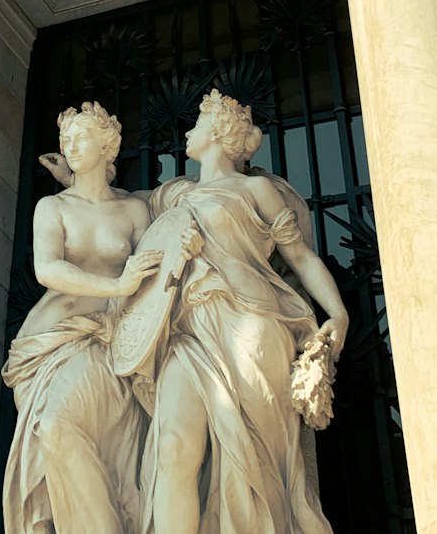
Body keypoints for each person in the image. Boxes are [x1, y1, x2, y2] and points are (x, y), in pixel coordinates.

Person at [140, 90, 347, 534]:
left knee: (254, 463)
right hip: (189, 331)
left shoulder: (255, 189)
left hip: (252, 325)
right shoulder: (171, 196)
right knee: (173, 448)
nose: (187, 132)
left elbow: (302, 258)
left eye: (196, 123)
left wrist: (338, 314)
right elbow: (118, 212)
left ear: (217, 131)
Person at [2, 102, 161, 534]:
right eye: (65, 140)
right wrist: (117, 286)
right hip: (50, 342)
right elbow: (48, 270)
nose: (70, 146)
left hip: (109, 342)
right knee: (53, 429)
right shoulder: (52, 208)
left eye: (81, 137)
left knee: (82, 438)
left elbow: (155, 279)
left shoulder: (132, 211)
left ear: (108, 145)